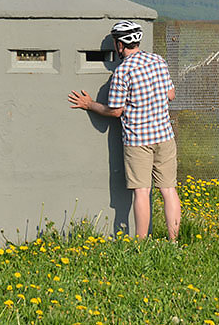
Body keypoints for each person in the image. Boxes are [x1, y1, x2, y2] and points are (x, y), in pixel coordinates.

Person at [68, 20, 181, 241]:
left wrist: (89, 104)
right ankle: (173, 241)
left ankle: (140, 243)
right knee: (168, 190)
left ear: (120, 45)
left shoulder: (122, 72)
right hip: (165, 136)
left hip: (138, 140)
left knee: (141, 191)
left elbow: (116, 111)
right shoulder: (158, 60)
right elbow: (170, 95)